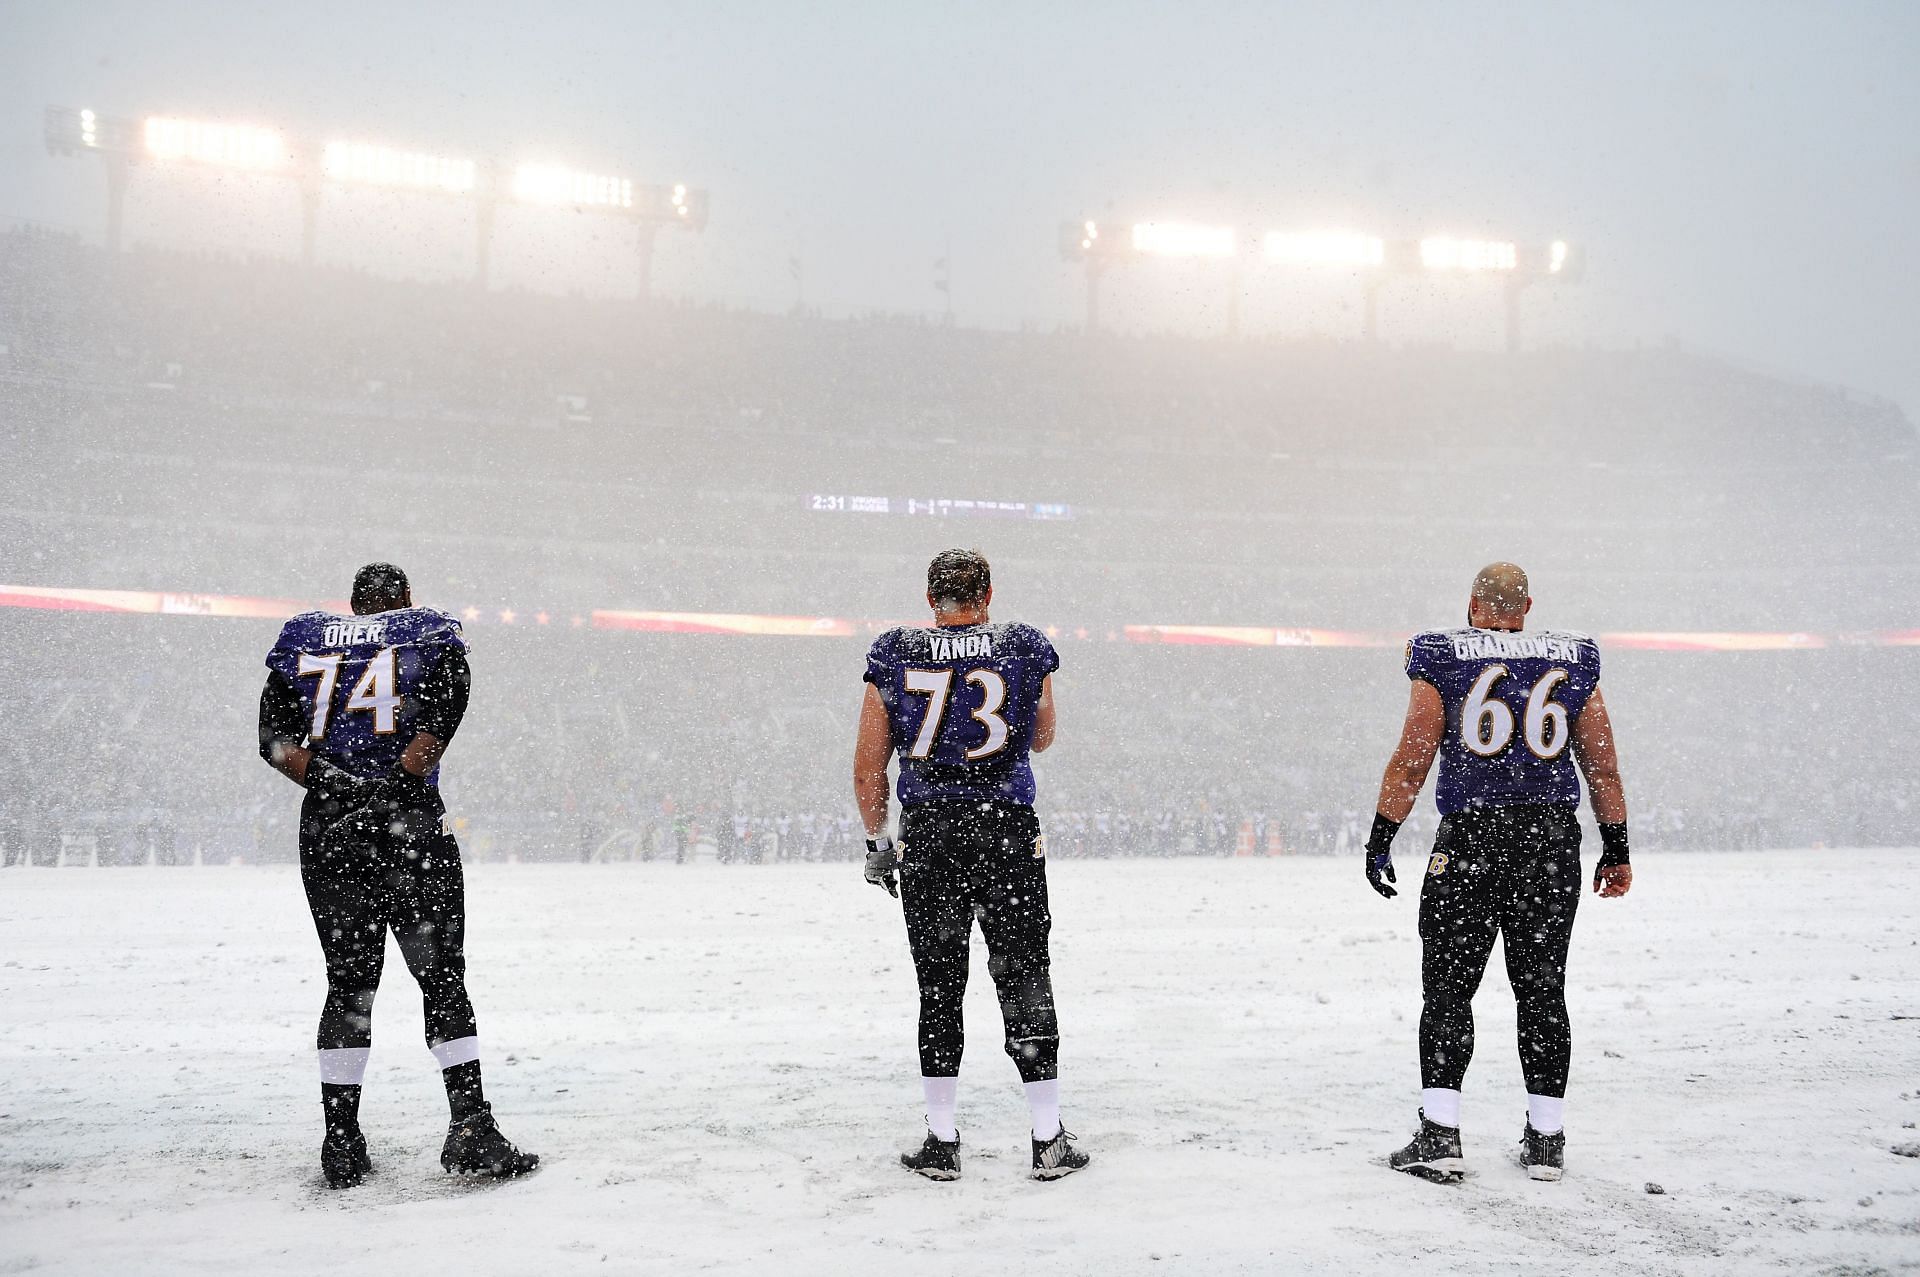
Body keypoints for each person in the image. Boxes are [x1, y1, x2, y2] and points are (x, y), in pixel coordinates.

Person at [257, 563, 538, 1189]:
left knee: (348, 985)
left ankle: (341, 1139)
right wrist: (395, 786)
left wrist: (338, 784)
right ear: (404, 600)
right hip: (408, 827)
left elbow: (274, 743)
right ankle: (469, 1125)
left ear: (354, 607)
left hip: (330, 833)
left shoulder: (307, 643)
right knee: (441, 976)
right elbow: (440, 719)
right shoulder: (428, 637)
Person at [1365, 562, 1633, 1183]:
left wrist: (1381, 836)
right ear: (1528, 605)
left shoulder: (1440, 653)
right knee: (1542, 988)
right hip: (1549, 840)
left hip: (1473, 839)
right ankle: (1545, 1139)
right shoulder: (1576, 657)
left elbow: (1413, 758)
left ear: (1472, 603)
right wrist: (1616, 848)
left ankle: (1441, 1134)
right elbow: (1604, 767)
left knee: (1448, 989)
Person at [854, 548, 1089, 1181]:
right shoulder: (1021, 645)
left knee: (939, 985)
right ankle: (1046, 1138)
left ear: (932, 597)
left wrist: (879, 840)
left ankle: (942, 1139)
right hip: (1006, 828)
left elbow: (868, 762)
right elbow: (1040, 736)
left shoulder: (897, 649)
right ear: (987, 592)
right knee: (1025, 976)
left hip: (931, 831)